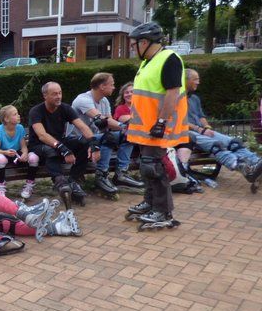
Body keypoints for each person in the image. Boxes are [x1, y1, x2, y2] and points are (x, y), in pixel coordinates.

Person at [125, 22, 189, 229]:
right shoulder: (147, 62)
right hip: (144, 128)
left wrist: (161, 122)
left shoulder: (169, 59)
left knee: (154, 167)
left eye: (133, 44)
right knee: (147, 167)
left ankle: (162, 210)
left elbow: (172, 93)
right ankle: (150, 202)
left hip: (158, 127)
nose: (132, 48)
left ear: (144, 42)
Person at [178, 69, 262, 182]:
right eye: (195, 79)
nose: (198, 82)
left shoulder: (194, 98)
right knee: (216, 146)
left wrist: (206, 127)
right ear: (185, 80)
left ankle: (256, 163)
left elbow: (201, 116)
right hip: (187, 134)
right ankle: (241, 167)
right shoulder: (176, 99)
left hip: (201, 131)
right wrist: (199, 130)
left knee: (234, 143)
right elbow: (178, 121)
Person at [68, 73, 143, 196]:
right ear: (102, 86)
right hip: (78, 140)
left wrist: (128, 129)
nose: (114, 87)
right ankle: (101, 176)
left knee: (128, 135)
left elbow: (110, 124)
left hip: (96, 138)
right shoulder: (83, 100)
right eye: (112, 84)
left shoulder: (104, 101)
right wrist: (125, 126)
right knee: (109, 137)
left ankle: (121, 174)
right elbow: (102, 119)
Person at [28, 81, 101, 206]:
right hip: (39, 146)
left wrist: (93, 145)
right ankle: (60, 181)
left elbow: (82, 126)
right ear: (45, 96)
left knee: (83, 143)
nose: (58, 96)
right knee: (51, 150)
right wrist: (63, 149)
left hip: (58, 143)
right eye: (54, 94)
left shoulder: (65, 108)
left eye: (60, 93)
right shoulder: (36, 111)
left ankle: (73, 180)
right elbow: (42, 135)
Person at [0, 105, 40, 199]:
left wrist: (25, 153)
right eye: (15, 114)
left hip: (16, 154)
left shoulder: (20, 128)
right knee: (0, 159)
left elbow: (23, 146)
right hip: (4, 153)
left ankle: (29, 185)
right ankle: (1, 186)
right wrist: (5, 152)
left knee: (34, 158)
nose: (18, 115)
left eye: (17, 113)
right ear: (7, 119)